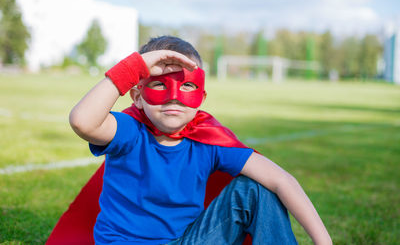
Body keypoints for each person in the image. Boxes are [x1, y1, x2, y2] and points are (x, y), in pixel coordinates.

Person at [69, 36, 332, 245]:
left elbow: (282, 180)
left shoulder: (209, 139)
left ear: (202, 99)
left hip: (188, 242)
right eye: (159, 84)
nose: (174, 96)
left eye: (186, 86)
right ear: (137, 96)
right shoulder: (129, 130)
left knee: (254, 188)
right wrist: (135, 66)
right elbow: (83, 121)